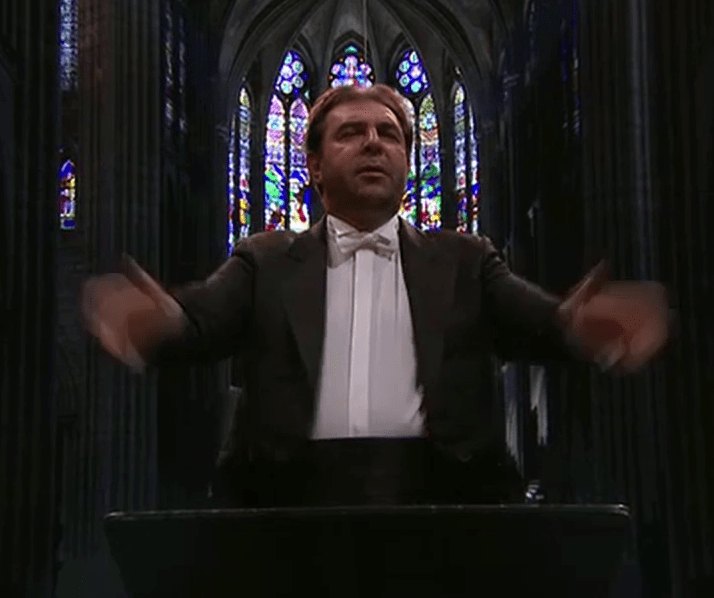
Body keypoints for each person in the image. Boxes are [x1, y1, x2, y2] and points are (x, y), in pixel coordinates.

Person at [82, 84, 669, 509]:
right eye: (351, 133)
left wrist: (584, 326)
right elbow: (198, 324)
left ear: (408, 161)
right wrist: (157, 323)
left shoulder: (467, 259)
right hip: (287, 513)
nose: (373, 143)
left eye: (388, 134)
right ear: (313, 166)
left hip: (444, 507)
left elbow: (542, 324)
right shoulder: (264, 260)